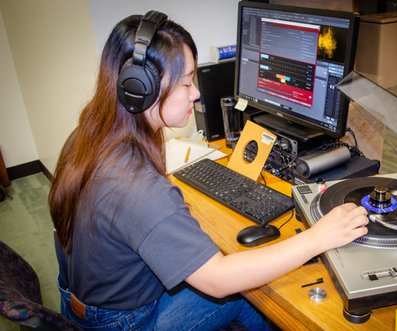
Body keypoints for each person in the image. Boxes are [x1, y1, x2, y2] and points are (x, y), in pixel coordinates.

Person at [48, 11, 369, 331]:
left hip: (81, 302)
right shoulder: (136, 186)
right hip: (123, 322)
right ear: (142, 88)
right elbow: (218, 279)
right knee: (250, 293)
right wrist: (318, 237)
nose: (197, 93)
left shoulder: (90, 134)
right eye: (186, 82)